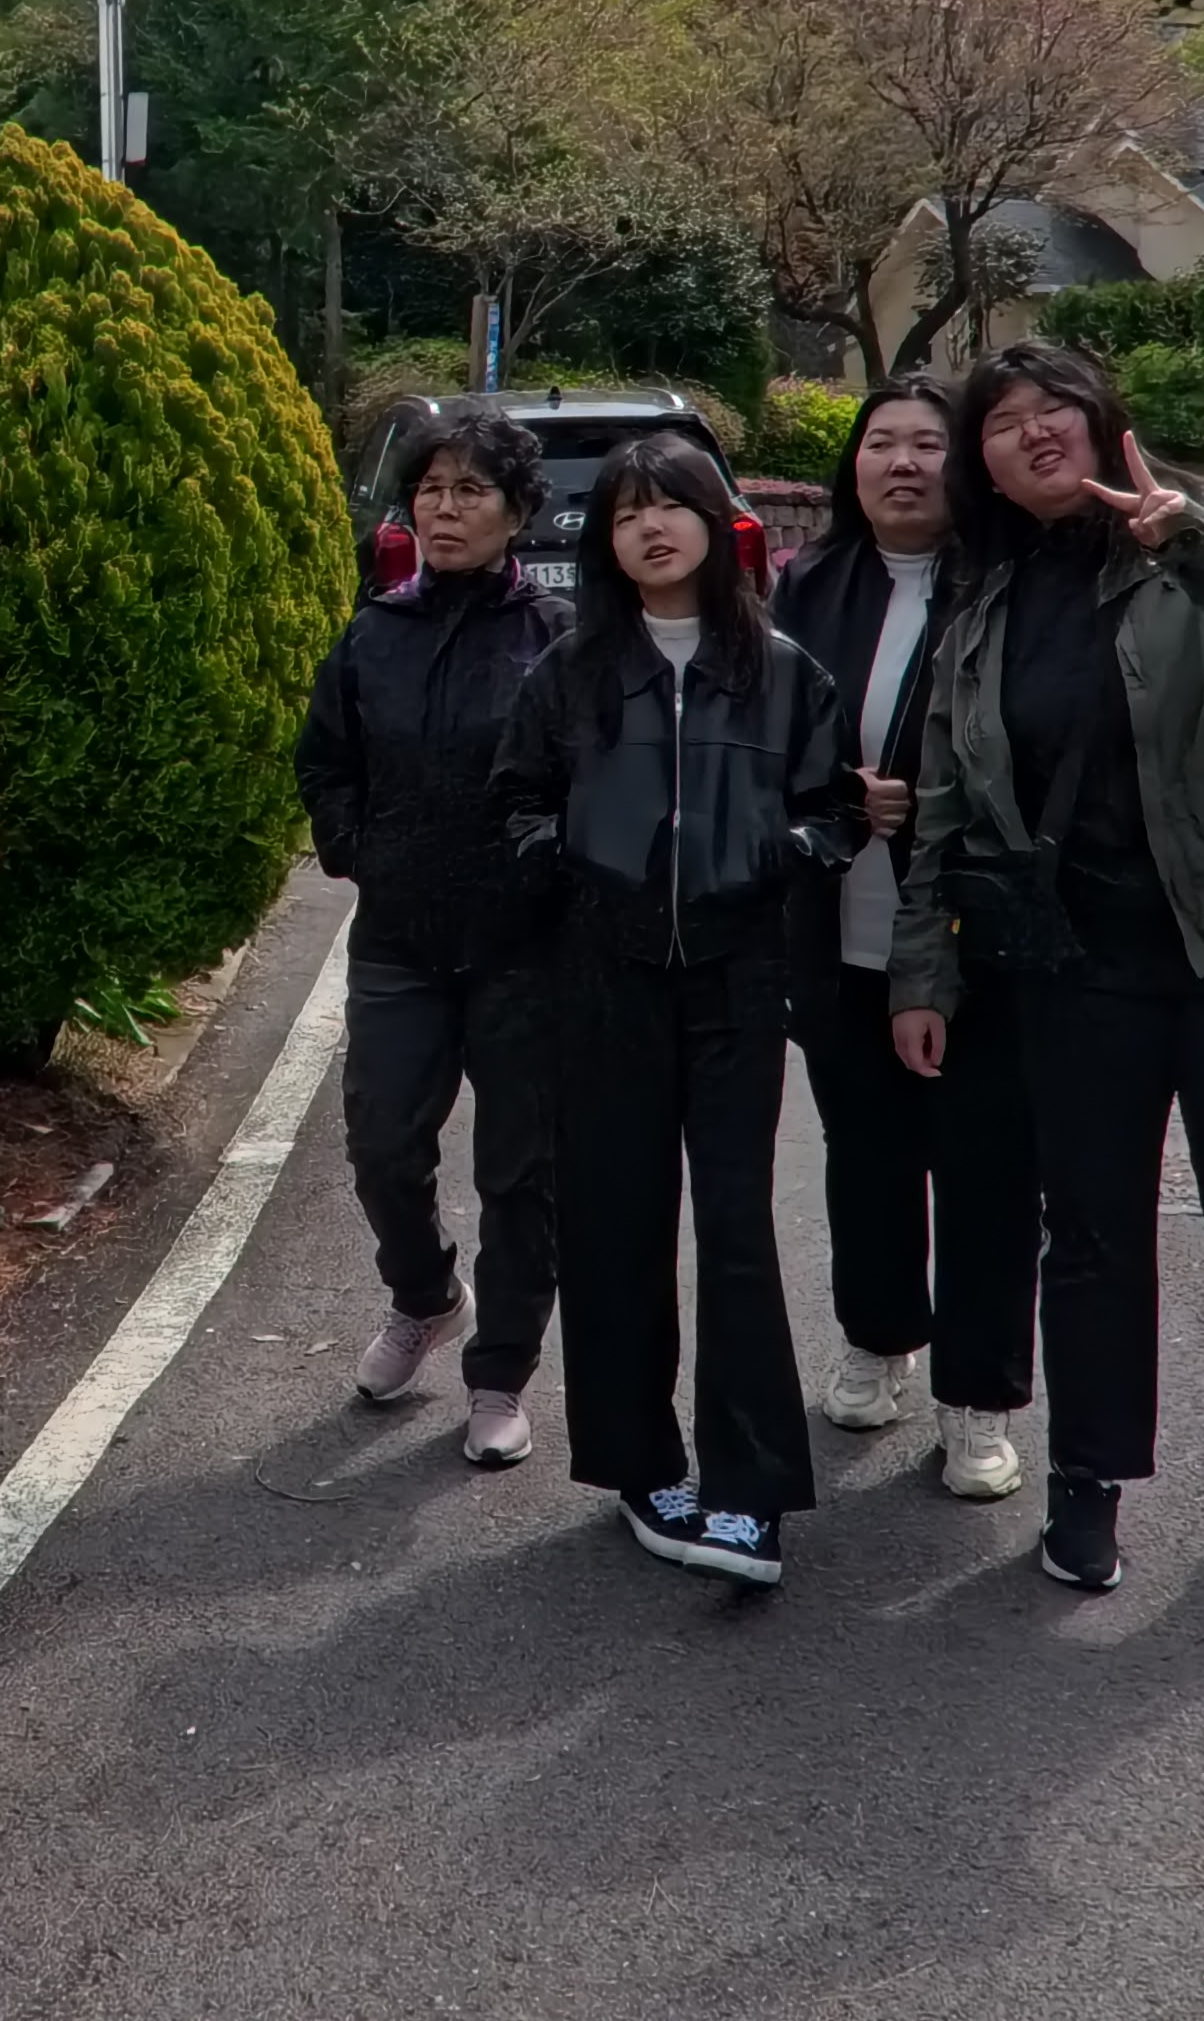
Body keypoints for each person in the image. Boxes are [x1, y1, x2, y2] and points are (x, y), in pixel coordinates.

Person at [890, 341, 1204, 1594]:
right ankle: (1089, 1478)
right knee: (1093, 1231)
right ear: (984, 467)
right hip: (1079, 962)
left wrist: (1191, 538)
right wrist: (922, 975)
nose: (1033, 430)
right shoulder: (984, 610)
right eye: (1001, 420)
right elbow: (945, 805)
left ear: (1105, 418)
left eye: (1054, 404)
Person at [492, 432, 853, 1586]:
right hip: (604, 978)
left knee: (737, 1228)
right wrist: (576, 860)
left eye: (671, 505)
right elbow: (513, 801)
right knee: (615, 1222)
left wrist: (774, 854)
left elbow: (837, 809)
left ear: (715, 521)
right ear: (606, 542)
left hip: (737, 979)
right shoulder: (569, 671)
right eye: (625, 513)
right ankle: (640, 1467)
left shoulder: (782, 670)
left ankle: (750, 1489)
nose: (650, 527)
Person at [773, 370, 1039, 1505]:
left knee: (987, 1168)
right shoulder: (809, 585)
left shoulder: (1012, 581)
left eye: (927, 442)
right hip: (840, 932)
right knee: (867, 1156)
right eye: (880, 441)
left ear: (962, 462)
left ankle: (978, 1397)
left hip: (983, 939)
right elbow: (764, 739)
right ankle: (877, 1339)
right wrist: (836, 794)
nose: (902, 462)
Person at [296, 402, 570, 1467]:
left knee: (522, 1173)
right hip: (401, 939)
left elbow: (590, 775)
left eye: (469, 491)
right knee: (381, 1144)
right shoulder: (376, 632)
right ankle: (424, 1297)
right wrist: (355, 847)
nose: (444, 509)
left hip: (524, 948)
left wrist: (550, 872)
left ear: (517, 512)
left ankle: (501, 1373)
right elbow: (326, 758)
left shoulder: (555, 639)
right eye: (429, 490)